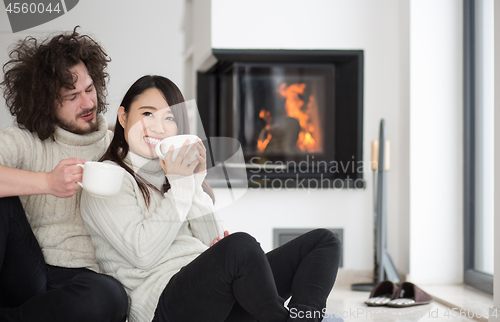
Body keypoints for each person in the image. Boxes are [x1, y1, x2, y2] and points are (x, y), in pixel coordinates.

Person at [80, 75, 342, 322]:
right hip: (164, 303)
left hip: (214, 295)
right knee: (241, 246)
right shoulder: (107, 179)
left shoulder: (174, 174)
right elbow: (142, 255)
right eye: (147, 113)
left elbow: (211, 240)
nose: (159, 127)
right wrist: (182, 184)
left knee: (323, 242)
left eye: (169, 118)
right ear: (123, 117)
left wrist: (193, 180)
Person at [0, 28, 128, 322]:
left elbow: (170, 193)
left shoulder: (117, 144)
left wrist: (190, 175)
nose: (87, 104)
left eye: (89, 89)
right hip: (25, 270)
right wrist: (46, 183)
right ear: (45, 103)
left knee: (111, 294)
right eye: (72, 96)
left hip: (82, 281)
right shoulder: (25, 140)